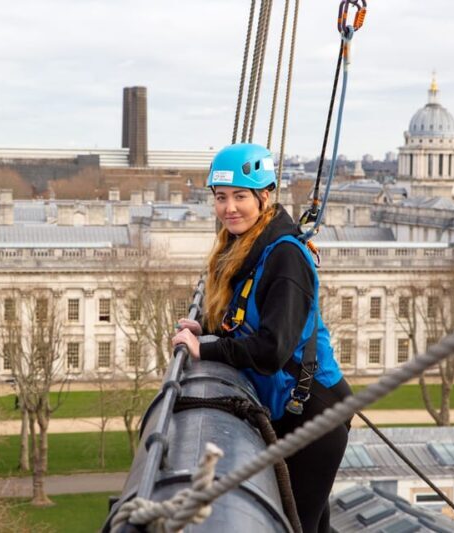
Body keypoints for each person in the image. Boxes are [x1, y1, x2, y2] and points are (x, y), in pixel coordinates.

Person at [172, 143, 352, 533]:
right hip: (291, 408)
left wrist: (206, 348)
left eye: (240, 196)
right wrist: (211, 330)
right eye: (221, 198)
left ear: (265, 196)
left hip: (314, 413)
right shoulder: (248, 247)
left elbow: (271, 349)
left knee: (295, 526)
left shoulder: (284, 256)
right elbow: (249, 321)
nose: (229, 208)